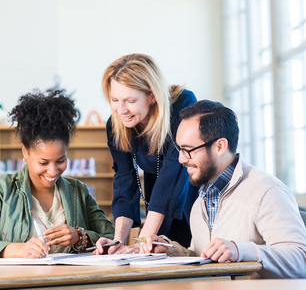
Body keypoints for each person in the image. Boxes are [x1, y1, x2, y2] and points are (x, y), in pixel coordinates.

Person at [140, 100, 306, 278]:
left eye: (188, 150)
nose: (181, 159)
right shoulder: (200, 201)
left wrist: (240, 250)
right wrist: (172, 251)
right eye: (179, 149)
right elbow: (205, 259)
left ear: (220, 146)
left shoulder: (268, 191)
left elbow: (300, 260)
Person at [94, 54, 197, 255]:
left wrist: (142, 240)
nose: (120, 110)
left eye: (130, 100)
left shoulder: (182, 104)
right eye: (115, 99)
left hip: (192, 192)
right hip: (156, 197)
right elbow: (124, 181)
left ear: (152, 96)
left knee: (189, 254)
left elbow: (173, 171)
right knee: (155, 255)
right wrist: (117, 241)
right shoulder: (115, 125)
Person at [0, 90, 114, 258]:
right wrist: (18, 250)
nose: (53, 171)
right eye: (43, 162)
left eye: (60, 160)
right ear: (25, 152)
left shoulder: (79, 191)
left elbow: (112, 238)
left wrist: (79, 236)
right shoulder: (4, 189)